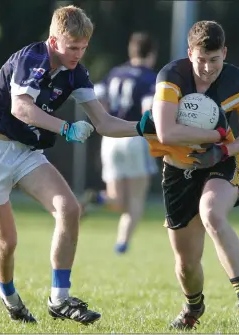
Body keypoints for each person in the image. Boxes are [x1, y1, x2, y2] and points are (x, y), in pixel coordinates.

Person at [0, 5, 147, 324]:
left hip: (26, 152)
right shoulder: (32, 59)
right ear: (53, 41)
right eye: (72, 47)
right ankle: (9, 296)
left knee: (70, 209)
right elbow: (21, 109)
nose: (78, 54)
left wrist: (144, 127)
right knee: (7, 242)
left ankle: (59, 299)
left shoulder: (76, 73)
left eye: (83, 47)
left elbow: (103, 122)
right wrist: (65, 128)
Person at [140, 20, 239, 329]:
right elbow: (167, 133)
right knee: (186, 264)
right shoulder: (171, 76)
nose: (208, 68)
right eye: (201, 60)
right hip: (178, 168)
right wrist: (218, 134)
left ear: (224, 53)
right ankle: (193, 307)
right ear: (189, 53)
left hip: (221, 162)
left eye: (214, 59)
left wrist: (223, 150)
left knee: (211, 213)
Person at [81, 32, 159, 254]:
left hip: (111, 138)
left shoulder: (114, 73)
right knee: (136, 198)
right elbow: (148, 111)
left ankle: (96, 198)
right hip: (135, 137)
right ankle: (122, 244)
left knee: (117, 199)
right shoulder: (150, 78)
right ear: (152, 53)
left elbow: (98, 101)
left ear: (131, 51)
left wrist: (107, 123)